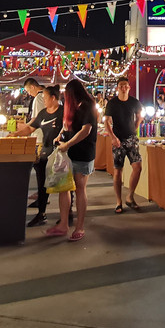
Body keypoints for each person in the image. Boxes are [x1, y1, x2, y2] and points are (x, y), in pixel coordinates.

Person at [46, 79, 97, 242]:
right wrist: (60, 135)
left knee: (79, 188)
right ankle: (63, 224)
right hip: (68, 152)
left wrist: (67, 143)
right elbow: (68, 125)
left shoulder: (88, 106)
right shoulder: (73, 107)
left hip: (82, 153)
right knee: (63, 187)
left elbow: (86, 130)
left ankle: (79, 226)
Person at [15, 85, 63, 227]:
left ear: (53, 98)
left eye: (45, 97)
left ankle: (67, 214)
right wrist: (14, 135)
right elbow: (31, 128)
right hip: (44, 152)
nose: (43, 100)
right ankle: (41, 213)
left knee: (63, 186)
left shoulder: (63, 113)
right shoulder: (43, 113)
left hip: (59, 154)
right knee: (42, 184)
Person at [104, 77, 143, 213]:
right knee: (118, 170)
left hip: (131, 138)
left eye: (125, 85)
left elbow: (140, 116)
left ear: (129, 87)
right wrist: (113, 137)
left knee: (137, 167)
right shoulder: (112, 103)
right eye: (121, 85)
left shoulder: (134, 102)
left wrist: (135, 128)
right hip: (117, 140)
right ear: (117, 88)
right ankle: (118, 201)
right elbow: (107, 122)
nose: (123, 87)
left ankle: (130, 196)